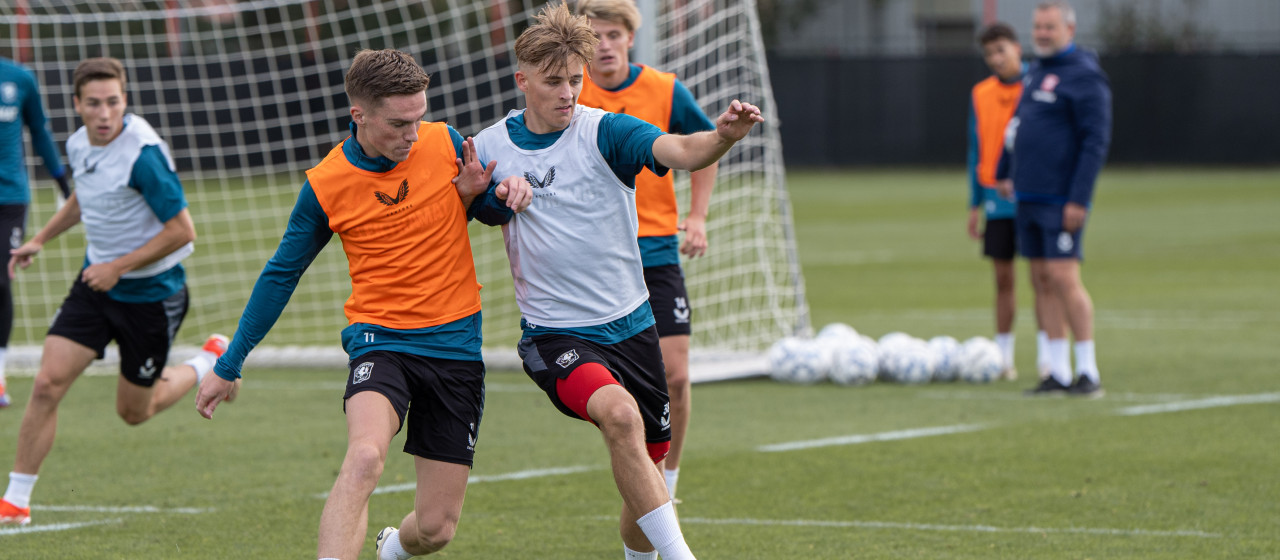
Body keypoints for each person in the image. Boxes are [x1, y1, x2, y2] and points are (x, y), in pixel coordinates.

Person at [192, 49, 531, 560]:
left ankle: (393, 547)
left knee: (436, 531)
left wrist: (490, 194)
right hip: (380, 342)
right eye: (398, 124)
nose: (412, 136)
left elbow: (484, 210)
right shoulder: (326, 185)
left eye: (418, 119)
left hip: (456, 346)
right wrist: (230, 362)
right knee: (365, 457)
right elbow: (281, 274)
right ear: (360, 115)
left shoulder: (444, 142)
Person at [471, 4, 762, 559]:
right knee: (619, 415)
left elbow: (679, 149)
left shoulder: (606, 131)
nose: (568, 93)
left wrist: (721, 137)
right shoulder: (490, 147)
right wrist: (493, 194)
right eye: (554, 82)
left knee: (645, 478)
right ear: (522, 80)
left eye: (575, 81)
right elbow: (467, 201)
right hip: (555, 336)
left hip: (633, 328)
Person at [0, 57, 229, 526]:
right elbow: (85, 196)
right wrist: (41, 239)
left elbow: (183, 232)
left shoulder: (143, 154)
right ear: (77, 105)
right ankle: (16, 501)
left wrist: (117, 267)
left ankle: (209, 359)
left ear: (125, 101)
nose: (104, 114)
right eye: (94, 104)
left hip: (152, 296)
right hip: (95, 289)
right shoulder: (80, 142)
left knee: (134, 412)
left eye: (113, 103)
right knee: (46, 384)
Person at [575, 0, 718, 502]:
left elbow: (706, 147)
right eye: (594, 37)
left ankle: (668, 481)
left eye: (613, 34)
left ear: (630, 38)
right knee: (615, 390)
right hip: (596, 257)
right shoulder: (570, 93)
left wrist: (696, 217)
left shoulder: (664, 89)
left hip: (655, 249)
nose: (605, 45)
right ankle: (641, 476)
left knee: (675, 375)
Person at [996, 0, 1111, 397]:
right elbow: (1019, 129)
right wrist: (1006, 173)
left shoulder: (1085, 77)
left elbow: (1095, 142)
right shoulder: (1035, 73)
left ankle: (1088, 372)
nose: (1042, 34)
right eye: (1038, 27)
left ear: (1069, 30)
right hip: (1027, 196)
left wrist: (1079, 199)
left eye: (1049, 27)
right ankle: (1058, 372)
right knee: (1041, 280)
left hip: (1061, 200)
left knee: (1064, 278)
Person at [968, 21, 1050, 381]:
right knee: (1003, 278)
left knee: (1042, 277)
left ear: (1017, 48)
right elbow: (976, 148)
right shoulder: (980, 93)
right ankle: (1002, 358)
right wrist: (974, 202)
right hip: (994, 199)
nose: (995, 59)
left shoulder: (1041, 83)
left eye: (1001, 50)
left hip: (1034, 194)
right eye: (989, 54)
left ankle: (1050, 356)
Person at [0, 56, 73, 409]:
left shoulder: (19, 79)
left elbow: (40, 131)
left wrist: (63, 184)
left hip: (9, 198)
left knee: (1, 278)